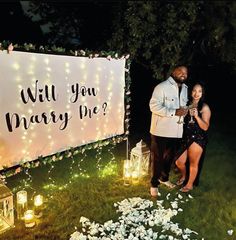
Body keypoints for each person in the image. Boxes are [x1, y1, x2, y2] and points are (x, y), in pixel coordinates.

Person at [149, 65, 189, 197]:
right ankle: (154, 184)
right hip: (160, 129)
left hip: (176, 130)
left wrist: (186, 111)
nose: (183, 74)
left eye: (185, 73)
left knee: (169, 157)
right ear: (173, 72)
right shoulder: (161, 87)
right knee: (158, 158)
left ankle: (164, 178)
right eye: (180, 71)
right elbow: (153, 106)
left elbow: (183, 107)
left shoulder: (185, 89)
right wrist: (174, 112)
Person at [175, 82, 211, 192]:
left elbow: (205, 127)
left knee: (193, 163)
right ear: (191, 92)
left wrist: (196, 116)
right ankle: (184, 176)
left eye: (199, 91)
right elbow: (179, 117)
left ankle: (189, 184)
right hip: (186, 136)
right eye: (194, 90)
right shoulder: (187, 104)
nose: (196, 93)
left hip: (198, 138)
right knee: (179, 162)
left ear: (202, 93)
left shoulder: (204, 107)